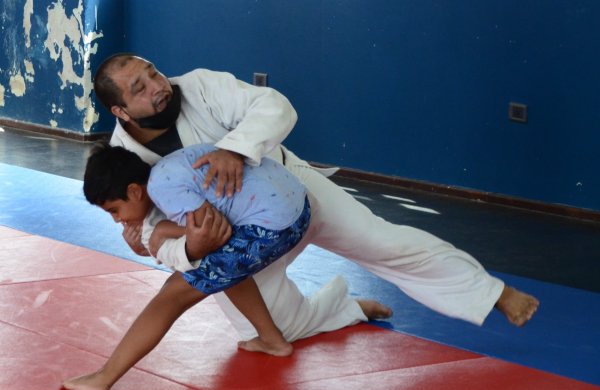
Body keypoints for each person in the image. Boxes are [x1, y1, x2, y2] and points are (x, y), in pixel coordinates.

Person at [96, 53, 538, 330]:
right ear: (120, 111)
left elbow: (275, 106)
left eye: (152, 72)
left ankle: (491, 293)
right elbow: (151, 225)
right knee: (265, 328)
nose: (158, 86)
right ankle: (347, 309)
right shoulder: (123, 156)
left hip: (292, 191)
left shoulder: (200, 86)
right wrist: (172, 244)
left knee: (384, 242)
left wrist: (235, 148)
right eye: (140, 88)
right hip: (241, 234)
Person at [63, 142, 392, 390]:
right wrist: (160, 233)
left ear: (135, 191)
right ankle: (273, 340)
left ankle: (103, 378)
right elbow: (214, 237)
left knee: (171, 296)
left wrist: (164, 232)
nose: (118, 220)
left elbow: (214, 231)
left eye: (114, 210)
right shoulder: (166, 169)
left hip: (274, 225)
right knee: (223, 266)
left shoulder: (163, 189)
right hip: (297, 209)